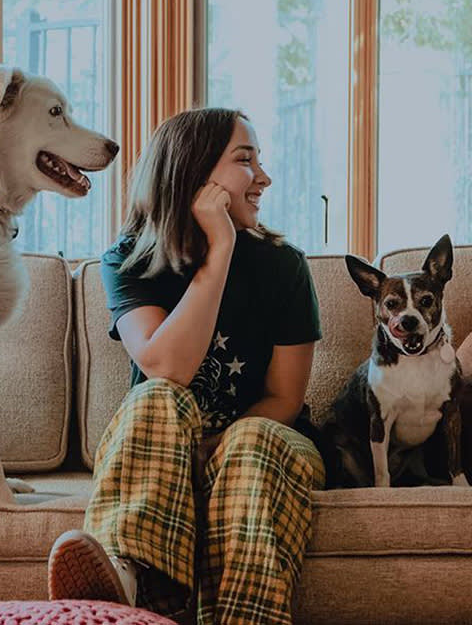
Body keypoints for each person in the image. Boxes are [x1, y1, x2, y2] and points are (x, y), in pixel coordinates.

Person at [47, 107, 324, 625]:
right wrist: (218, 253)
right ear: (196, 174)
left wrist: (211, 449)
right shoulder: (128, 258)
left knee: (253, 440)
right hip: (160, 450)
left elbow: (285, 399)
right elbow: (165, 367)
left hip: (265, 447)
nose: (264, 177)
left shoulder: (284, 265)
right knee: (156, 398)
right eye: (246, 160)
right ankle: (126, 582)